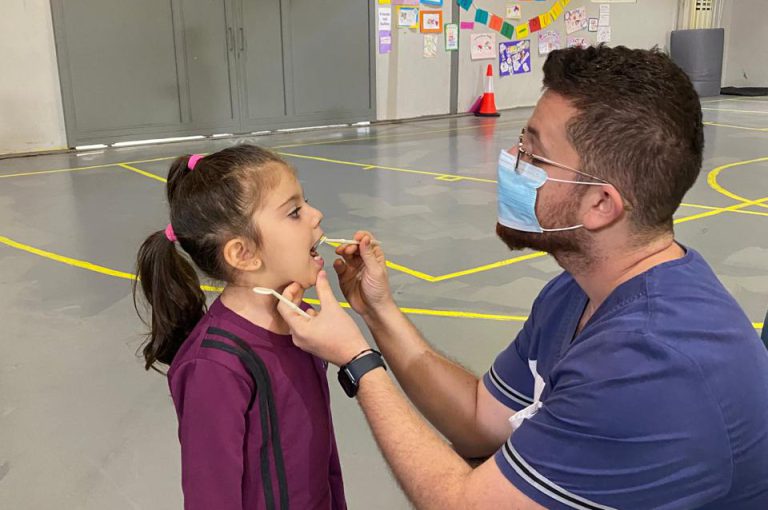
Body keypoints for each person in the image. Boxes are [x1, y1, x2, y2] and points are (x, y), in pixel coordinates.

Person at [276, 46, 768, 509]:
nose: (511, 164)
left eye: (534, 155)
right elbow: (477, 418)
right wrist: (378, 311)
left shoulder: (654, 363)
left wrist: (357, 361)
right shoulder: (576, 291)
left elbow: (462, 503)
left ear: (601, 204)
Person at [133, 145, 346, 510]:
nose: (316, 215)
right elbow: (210, 497)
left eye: (305, 202)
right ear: (243, 254)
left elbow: (321, 459)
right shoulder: (214, 367)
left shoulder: (302, 323)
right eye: (295, 211)